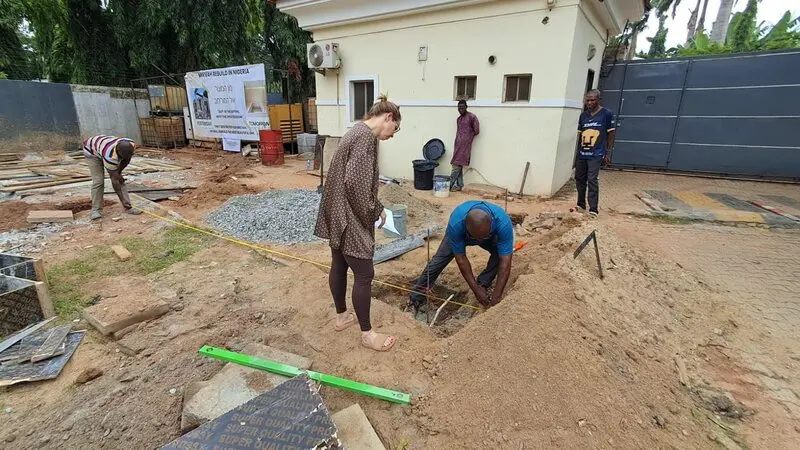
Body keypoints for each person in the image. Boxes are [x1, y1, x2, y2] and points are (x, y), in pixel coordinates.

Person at [314, 95, 401, 352]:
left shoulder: (355, 132)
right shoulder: (366, 138)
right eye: (394, 129)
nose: (392, 135)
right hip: (349, 213)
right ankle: (367, 334)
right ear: (388, 117)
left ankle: (342, 317)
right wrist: (374, 210)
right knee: (364, 274)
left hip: (336, 210)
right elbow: (355, 183)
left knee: (339, 263)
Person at [408, 200, 513, 310]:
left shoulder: (503, 223)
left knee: (499, 255)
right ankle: (415, 298)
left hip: (491, 236)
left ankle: (483, 283)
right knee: (437, 262)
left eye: (482, 238)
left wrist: (496, 297)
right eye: (476, 238)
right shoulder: (456, 223)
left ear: (492, 224)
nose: (479, 241)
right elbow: (461, 259)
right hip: (462, 235)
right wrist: (475, 290)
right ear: (466, 227)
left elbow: (505, 262)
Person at [574, 89, 615, 217]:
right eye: (587, 100)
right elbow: (580, 136)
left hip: (596, 154)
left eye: (592, 100)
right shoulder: (583, 116)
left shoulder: (606, 114)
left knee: (592, 179)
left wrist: (607, 152)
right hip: (582, 153)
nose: (590, 102)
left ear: (598, 100)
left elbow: (611, 134)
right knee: (579, 179)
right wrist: (577, 153)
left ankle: (593, 209)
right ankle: (581, 205)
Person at [83, 135, 141, 220]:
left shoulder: (131, 145)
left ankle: (128, 207)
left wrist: (119, 172)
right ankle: (96, 210)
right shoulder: (110, 157)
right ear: (118, 151)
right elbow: (114, 180)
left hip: (103, 144)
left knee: (120, 178)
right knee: (98, 182)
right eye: (123, 156)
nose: (127, 157)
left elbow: (126, 160)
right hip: (91, 151)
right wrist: (122, 199)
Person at [450, 100, 480, 191]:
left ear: (466, 107)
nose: (460, 110)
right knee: (458, 165)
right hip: (457, 145)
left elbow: (477, 131)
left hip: (465, 146)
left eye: (462, 108)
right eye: (459, 108)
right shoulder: (458, 119)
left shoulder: (472, 117)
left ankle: (448, 185)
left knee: (456, 165)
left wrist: (467, 138)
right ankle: (460, 185)